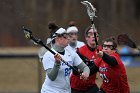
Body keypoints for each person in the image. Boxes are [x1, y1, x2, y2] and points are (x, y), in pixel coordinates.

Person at [41, 22, 90, 93]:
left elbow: (85, 67)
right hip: (50, 90)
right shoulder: (48, 55)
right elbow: (52, 77)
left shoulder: (71, 53)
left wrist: (86, 73)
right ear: (58, 38)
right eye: (65, 37)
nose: (69, 39)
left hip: (66, 90)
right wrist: (57, 63)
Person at [70, 25, 101, 93]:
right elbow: (74, 70)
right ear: (86, 38)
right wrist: (83, 71)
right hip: (76, 87)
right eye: (90, 34)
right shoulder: (80, 51)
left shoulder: (101, 51)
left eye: (95, 34)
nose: (93, 36)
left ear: (98, 37)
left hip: (90, 86)